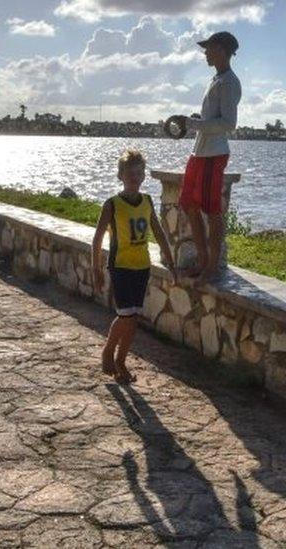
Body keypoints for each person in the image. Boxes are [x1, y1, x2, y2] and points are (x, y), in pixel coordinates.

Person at [92, 150, 176, 384]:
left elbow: (159, 233)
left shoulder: (147, 202)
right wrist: (96, 268)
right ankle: (112, 354)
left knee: (133, 318)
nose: (135, 176)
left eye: (139, 172)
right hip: (120, 267)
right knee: (126, 316)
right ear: (120, 175)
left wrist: (170, 262)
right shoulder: (112, 204)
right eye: (130, 172)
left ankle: (119, 359)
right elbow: (98, 238)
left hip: (142, 267)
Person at [174, 31, 242, 284]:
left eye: (209, 48)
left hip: (214, 154)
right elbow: (211, 120)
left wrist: (193, 123)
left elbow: (228, 123)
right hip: (200, 152)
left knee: (212, 210)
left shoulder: (230, 82)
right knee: (188, 203)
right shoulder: (216, 79)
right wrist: (196, 122)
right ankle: (203, 261)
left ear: (222, 50)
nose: (205, 52)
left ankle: (211, 267)